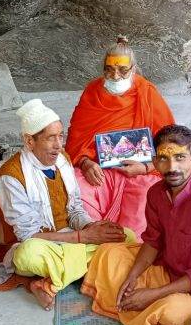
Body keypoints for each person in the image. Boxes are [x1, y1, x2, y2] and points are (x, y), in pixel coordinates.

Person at [82, 125, 191, 325]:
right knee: (108, 254)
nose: (172, 167)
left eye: (180, 158)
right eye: (164, 159)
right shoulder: (156, 194)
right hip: (171, 271)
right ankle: (134, 300)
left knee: (169, 311)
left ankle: (145, 306)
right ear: (155, 162)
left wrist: (153, 295)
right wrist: (132, 278)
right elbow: (153, 242)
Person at [0, 98, 130, 310]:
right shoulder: (11, 177)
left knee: (126, 235)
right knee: (27, 255)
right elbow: (28, 236)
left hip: (73, 238)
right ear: (29, 141)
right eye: (50, 138)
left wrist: (90, 227)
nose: (59, 145)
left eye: (61, 136)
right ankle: (92, 264)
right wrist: (82, 238)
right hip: (40, 244)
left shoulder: (62, 160)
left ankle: (51, 281)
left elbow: (75, 209)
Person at [65, 36, 174, 237]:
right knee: (76, 187)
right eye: (109, 69)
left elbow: (170, 143)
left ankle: (129, 252)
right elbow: (76, 138)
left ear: (133, 68)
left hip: (140, 173)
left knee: (145, 203)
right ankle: (94, 243)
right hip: (98, 172)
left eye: (122, 70)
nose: (115, 75)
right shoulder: (92, 92)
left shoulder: (147, 93)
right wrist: (85, 163)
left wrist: (146, 167)